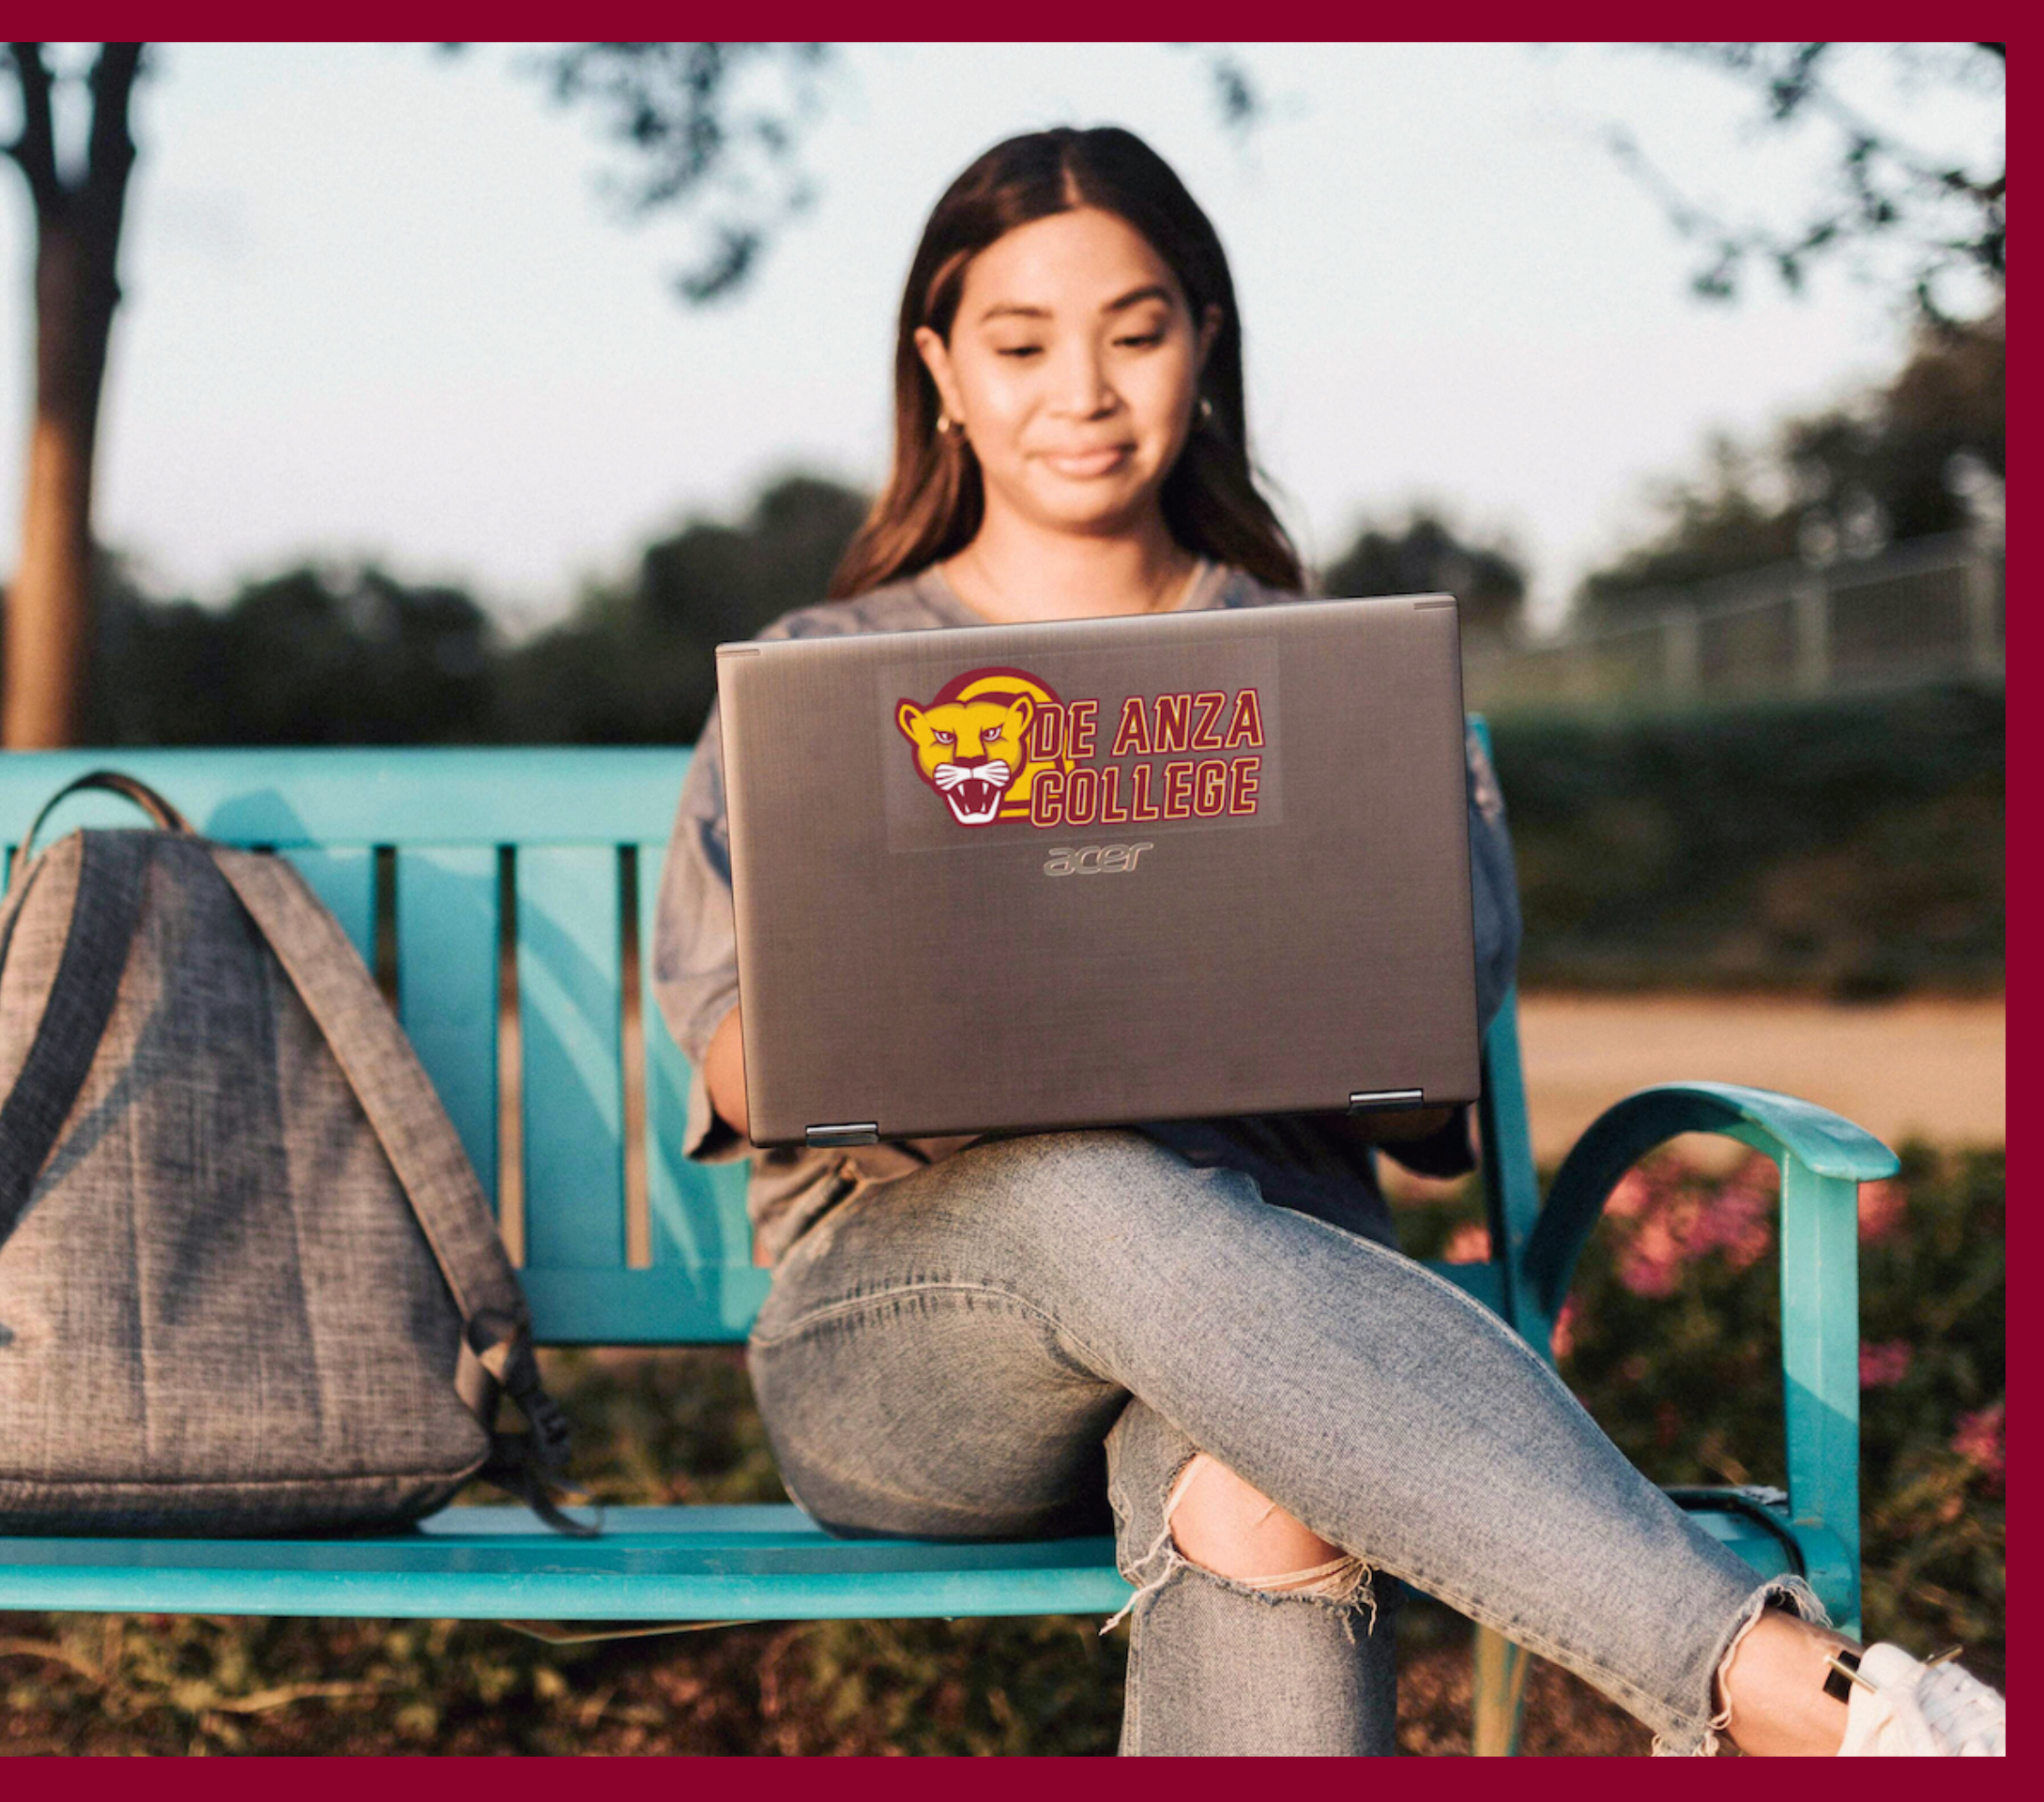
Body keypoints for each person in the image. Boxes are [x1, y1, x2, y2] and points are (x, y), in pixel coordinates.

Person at [649, 126, 2005, 1757]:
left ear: (1204, 348)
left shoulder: (1322, 677)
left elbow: (1426, 1106)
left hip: (1278, 1348)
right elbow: (735, 1058)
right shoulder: (822, 678)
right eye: (1018, 345)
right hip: (916, 1354)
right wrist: (947, 1023)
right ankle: (1768, 1679)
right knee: (1085, 1182)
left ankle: (1792, 1697)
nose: (1078, 390)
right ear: (938, 369)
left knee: (1260, 1487)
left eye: (1134, 332)